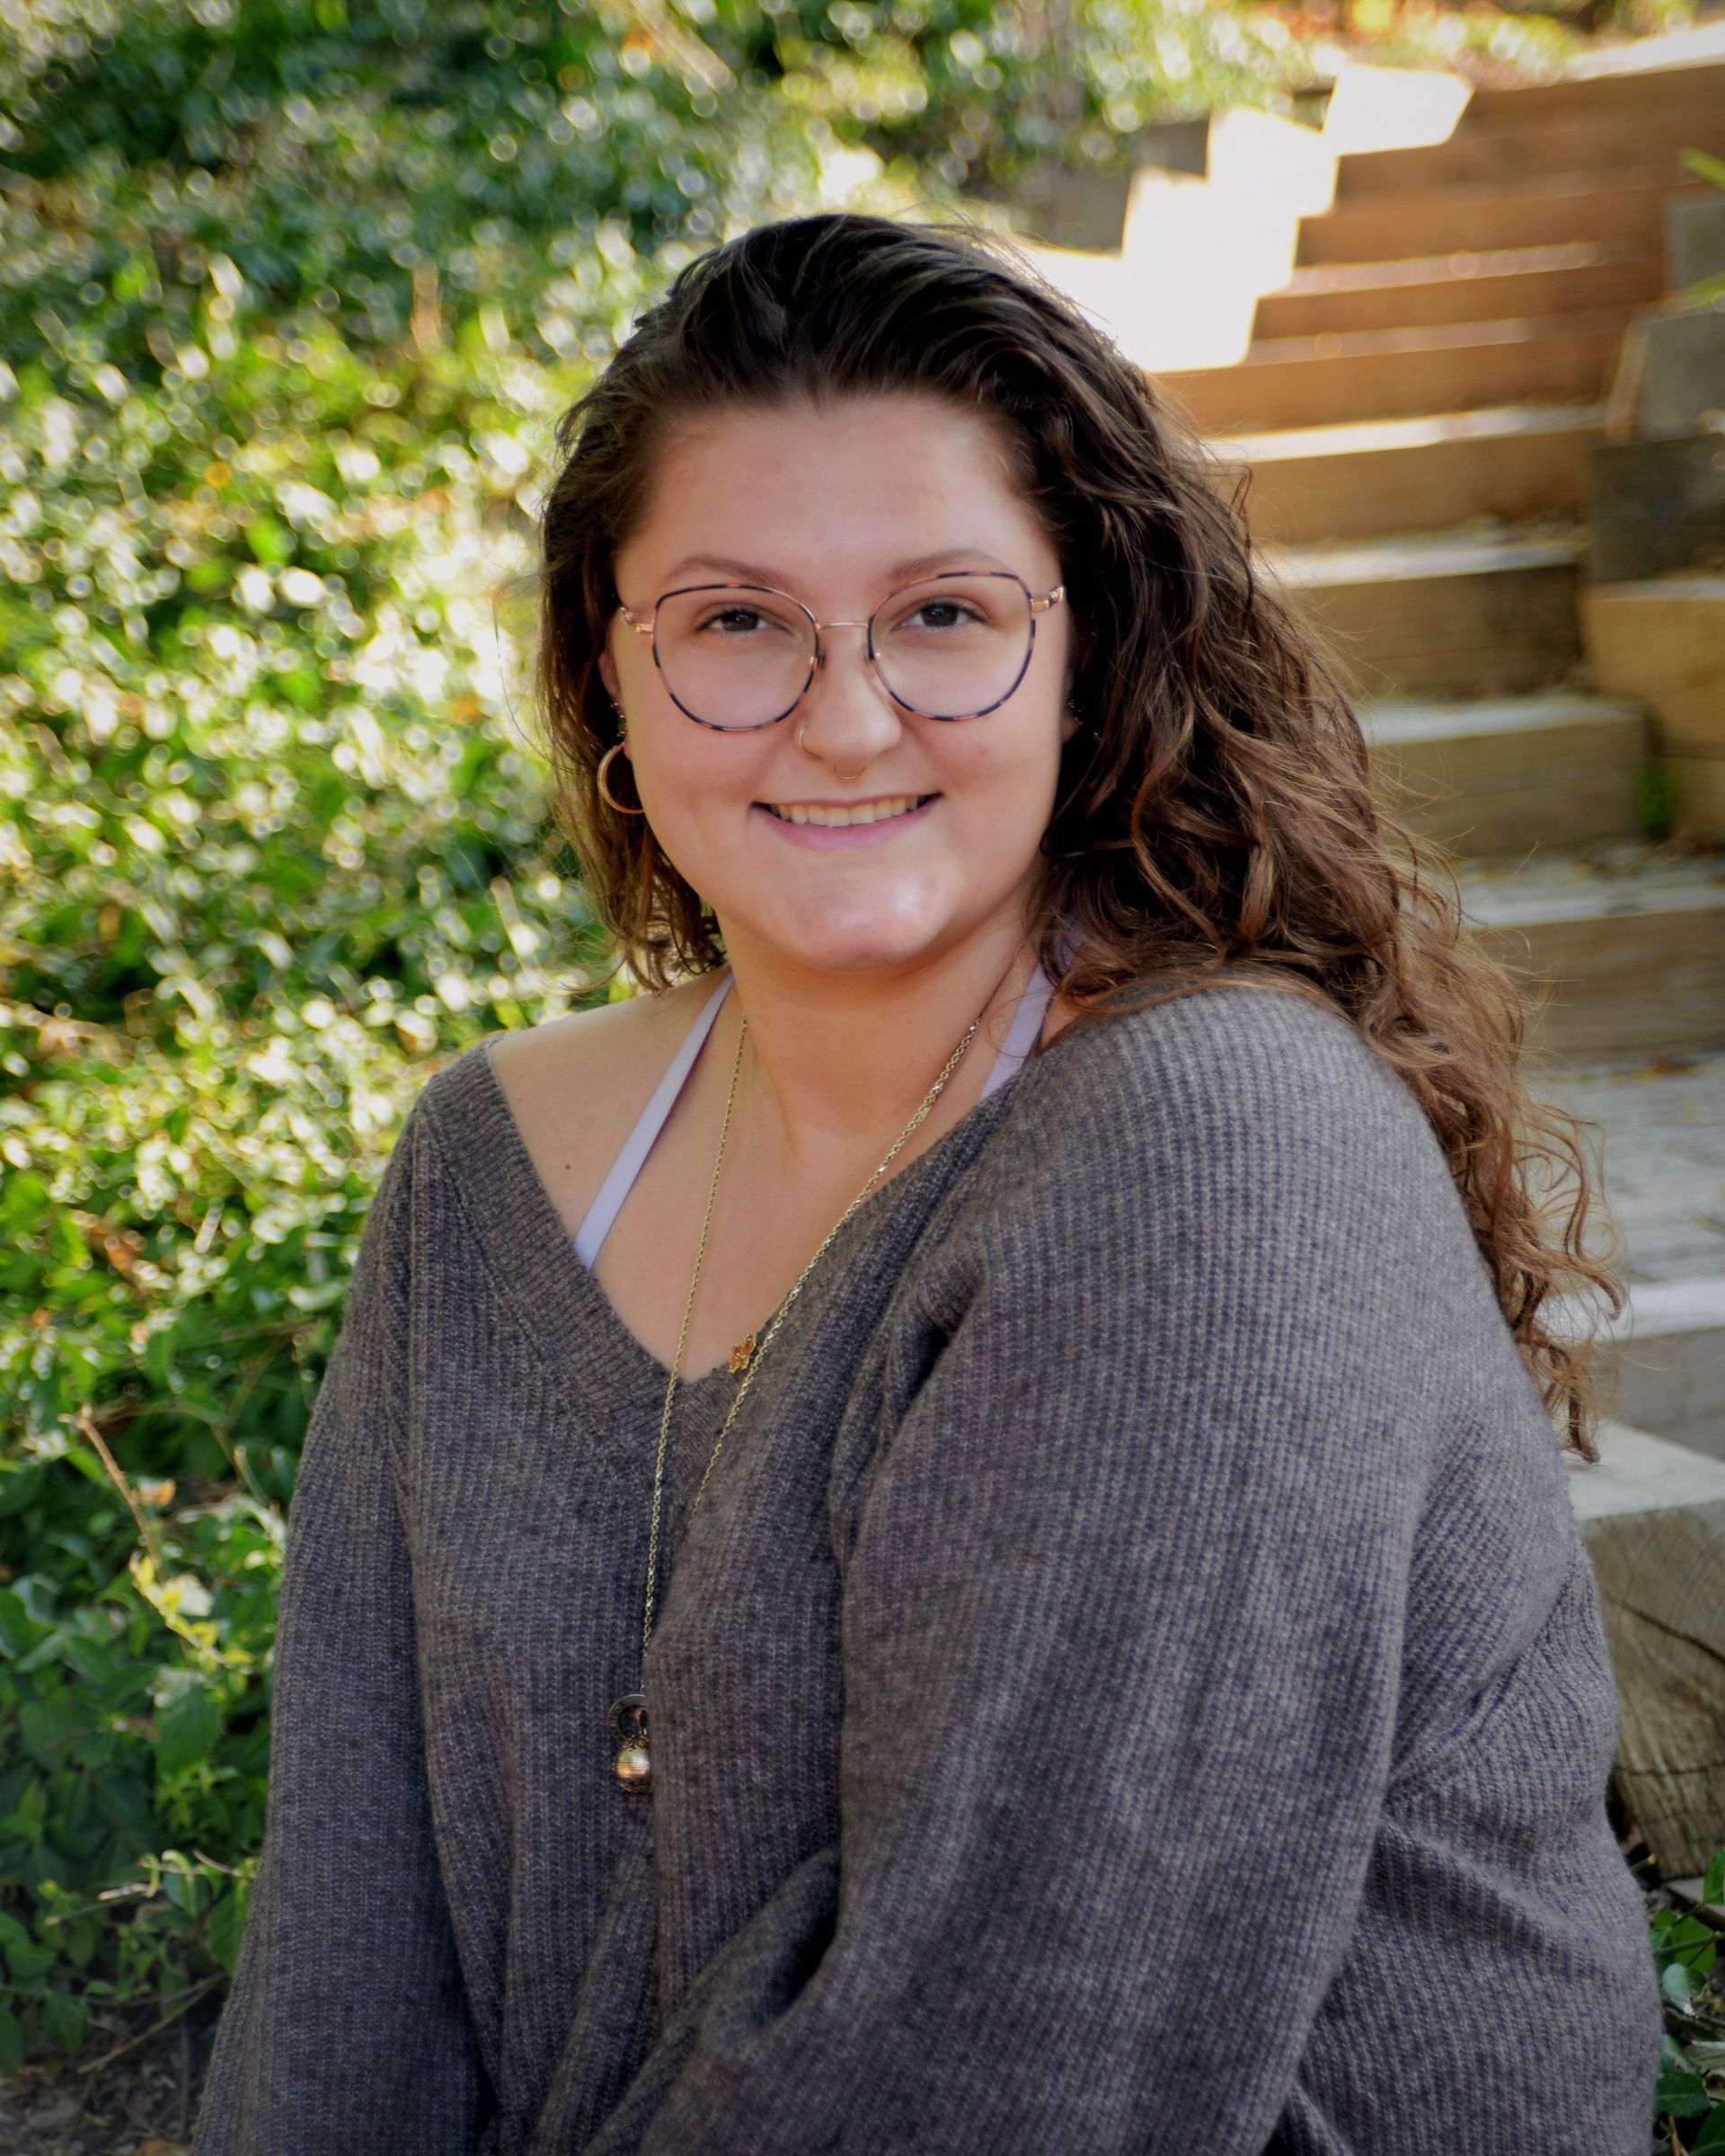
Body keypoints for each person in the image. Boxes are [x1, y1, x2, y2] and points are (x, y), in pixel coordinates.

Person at [192, 212, 1663, 2154]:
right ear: (604, 673)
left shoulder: (1219, 1164)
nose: (848, 714)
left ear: (1091, 656)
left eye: (946, 615)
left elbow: (1003, 2077)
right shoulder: (489, 1166)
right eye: (734, 621)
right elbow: (345, 1955)